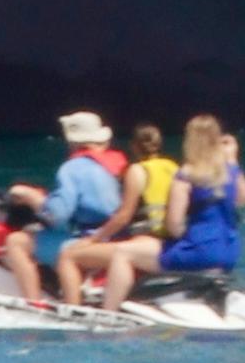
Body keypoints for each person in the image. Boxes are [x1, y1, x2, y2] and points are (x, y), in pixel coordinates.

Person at [1, 111, 122, 308]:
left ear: (72, 142)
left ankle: (34, 304)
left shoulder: (72, 168)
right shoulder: (113, 166)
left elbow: (57, 215)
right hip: (110, 237)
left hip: (83, 239)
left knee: (16, 241)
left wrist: (32, 198)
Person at [60, 121, 181, 311]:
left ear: (133, 146)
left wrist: (93, 239)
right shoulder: (173, 168)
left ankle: (72, 309)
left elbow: (123, 216)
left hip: (143, 241)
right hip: (170, 241)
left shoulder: (138, 171)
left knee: (68, 256)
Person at [150, 114, 245, 308]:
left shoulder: (186, 174)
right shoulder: (229, 170)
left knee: (123, 254)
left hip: (199, 251)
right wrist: (232, 159)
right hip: (229, 251)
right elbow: (243, 197)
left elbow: (174, 224)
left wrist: (176, 236)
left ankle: (112, 308)